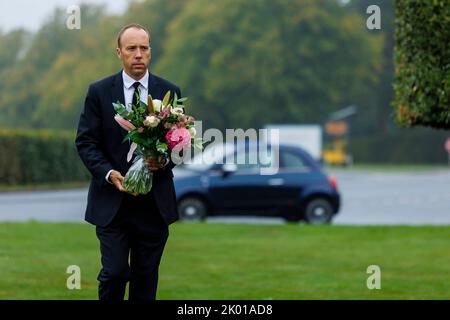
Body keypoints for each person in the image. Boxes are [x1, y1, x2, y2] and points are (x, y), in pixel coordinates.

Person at [75, 23, 181, 301]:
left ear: (150, 52)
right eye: (131, 48)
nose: (138, 54)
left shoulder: (170, 91)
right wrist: (109, 174)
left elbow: (180, 145)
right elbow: (86, 142)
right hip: (112, 203)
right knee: (115, 273)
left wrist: (163, 161)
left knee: (146, 280)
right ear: (119, 52)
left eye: (143, 48)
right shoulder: (98, 92)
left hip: (154, 205)